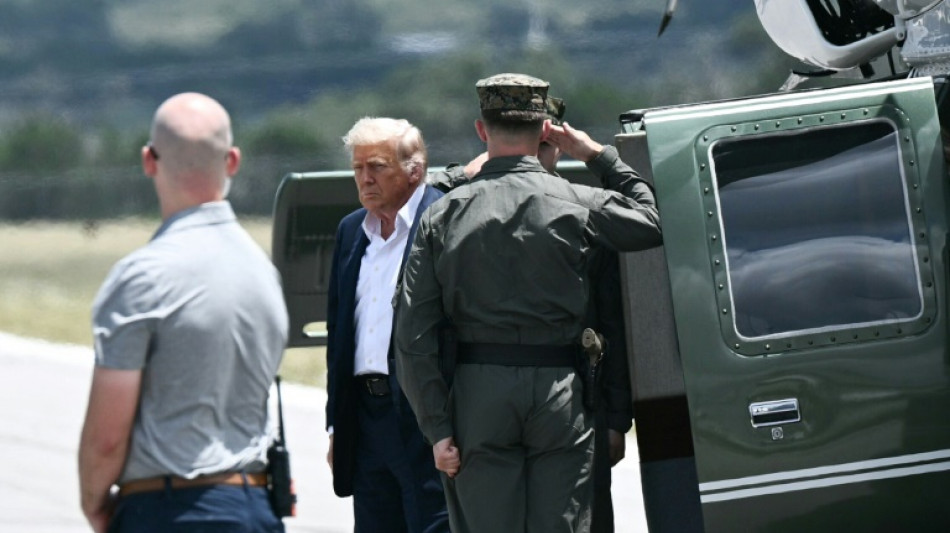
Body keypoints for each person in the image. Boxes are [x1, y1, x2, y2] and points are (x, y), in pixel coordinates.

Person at [395, 73, 661, 533]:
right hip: (560, 391)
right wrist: (595, 154)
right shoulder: (578, 201)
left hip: (478, 395)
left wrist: (437, 427)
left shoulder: (443, 214)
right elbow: (649, 220)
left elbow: (412, 335)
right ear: (545, 131)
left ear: (482, 131)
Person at [77, 92, 289, 532]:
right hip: (254, 505)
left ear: (148, 160)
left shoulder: (141, 277)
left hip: (167, 509)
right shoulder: (264, 274)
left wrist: (95, 500)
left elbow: (107, 438)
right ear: (232, 160)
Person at [325, 117, 449, 532]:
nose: (365, 178)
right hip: (365, 416)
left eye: (376, 167)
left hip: (423, 415)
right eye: (358, 168)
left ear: (414, 170)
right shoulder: (350, 231)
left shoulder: (444, 219)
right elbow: (339, 336)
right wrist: (336, 424)